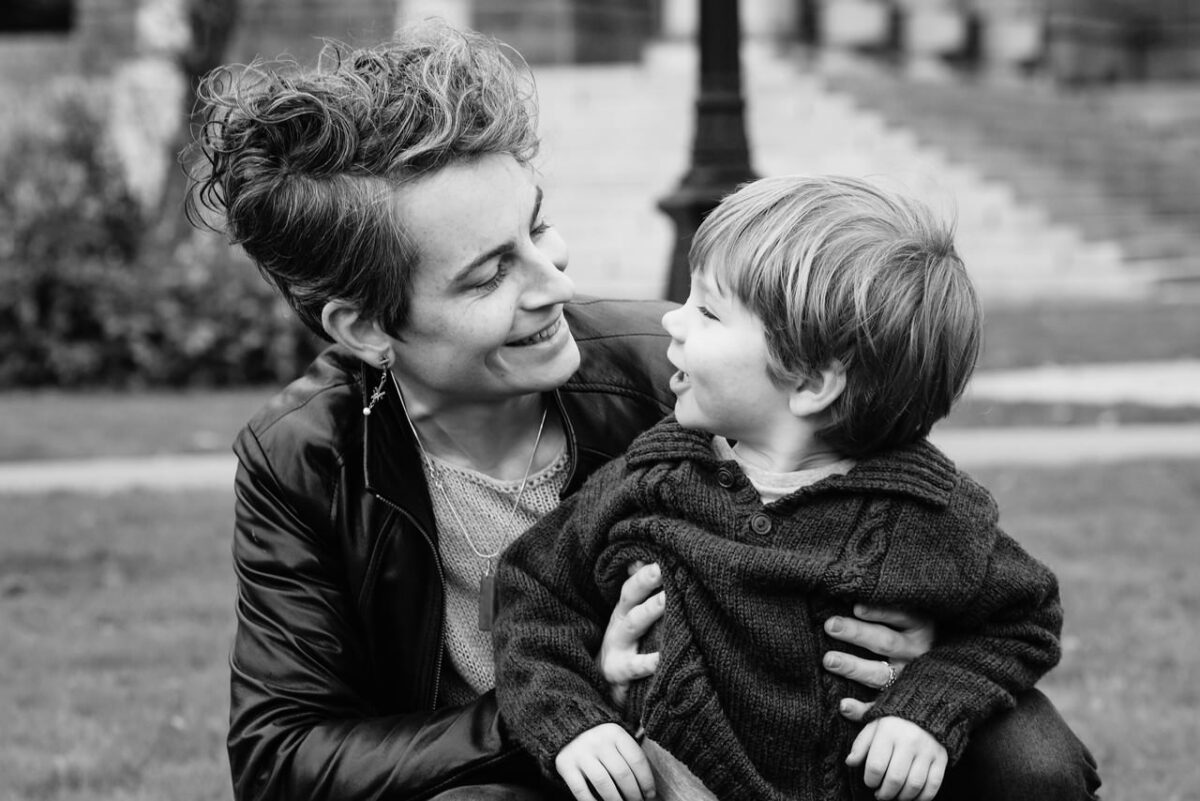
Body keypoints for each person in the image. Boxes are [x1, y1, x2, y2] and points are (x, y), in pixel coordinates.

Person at [184, 20, 1099, 801]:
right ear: (366, 325)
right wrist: (562, 708)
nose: (557, 282)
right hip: (551, 769)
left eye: (536, 227)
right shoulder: (307, 454)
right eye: (490, 271)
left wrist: (927, 644)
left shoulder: (671, 374)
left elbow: (871, 474)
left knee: (1032, 756)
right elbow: (281, 753)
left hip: (805, 730)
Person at [494, 175, 1088, 801]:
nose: (672, 320)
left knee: (1038, 764)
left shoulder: (929, 511)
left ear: (810, 381)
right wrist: (573, 723)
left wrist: (930, 705)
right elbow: (531, 591)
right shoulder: (653, 480)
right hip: (675, 781)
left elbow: (1023, 620)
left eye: (708, 310)